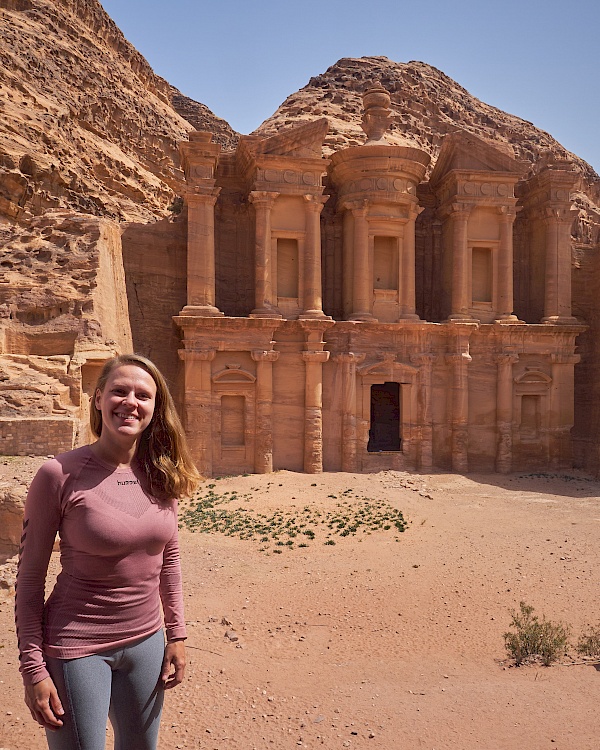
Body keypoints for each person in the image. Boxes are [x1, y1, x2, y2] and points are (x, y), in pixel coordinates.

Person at [15, 353, 200, 750]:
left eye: (143, 395)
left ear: (155, 408)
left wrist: (177, 634)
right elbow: (29, 581)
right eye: (119, 391)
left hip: (147, 641)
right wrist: (33, 669)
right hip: (76, 647)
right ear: (98, 399)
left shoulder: (161, 471)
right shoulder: (58, 475)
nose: (130, 402)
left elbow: (168, 561)